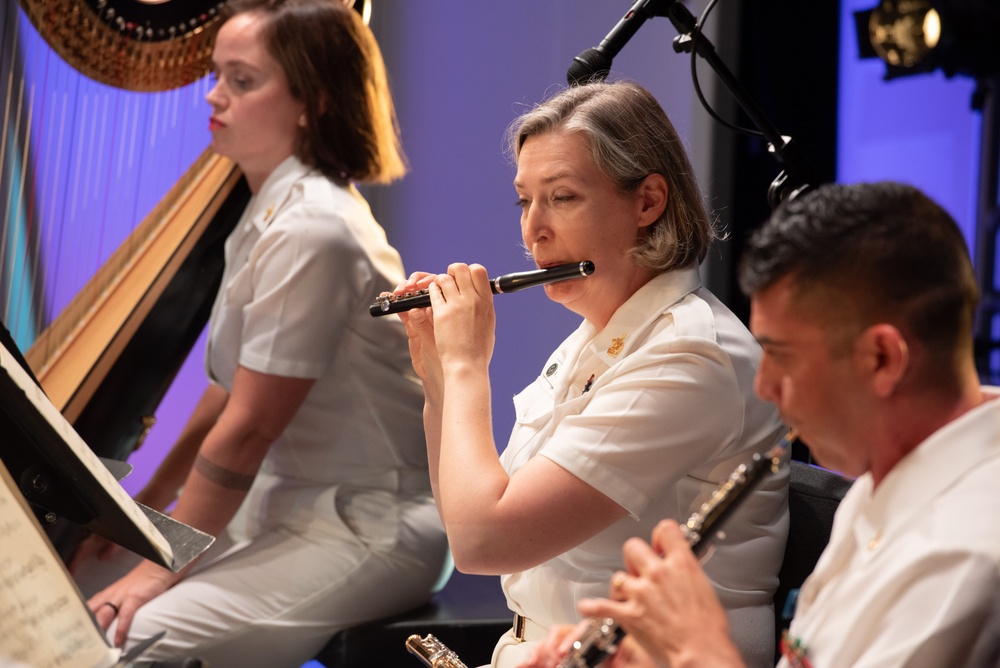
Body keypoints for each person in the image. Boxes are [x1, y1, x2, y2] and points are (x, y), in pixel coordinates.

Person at [69, 0, 448, 665]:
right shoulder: (269, 209)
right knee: (50, 593)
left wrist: (162, 565)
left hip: (362, 529)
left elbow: (248, 430)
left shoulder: (313, 229)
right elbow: (225, 392)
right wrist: (145, 510)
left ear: (313, 102)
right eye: (217, 74)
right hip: (275, 510)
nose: (214, 94)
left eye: (242, 80)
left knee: (109, 647)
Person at [521, 181, 1000, 668]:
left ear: (881, 359)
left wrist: (704, 655)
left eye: (783, 357)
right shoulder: (882, 484)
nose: (764, 386)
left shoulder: (968, 552)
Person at [394, 80, 788, 668]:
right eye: (524, 200)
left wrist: (467, 362)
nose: (534, 230)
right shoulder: (593, 339)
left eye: (563, 197)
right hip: (544, 650)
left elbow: (485, 541)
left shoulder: (691, 357)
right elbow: (467, 516)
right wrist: (440, 379)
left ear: (648, 202)